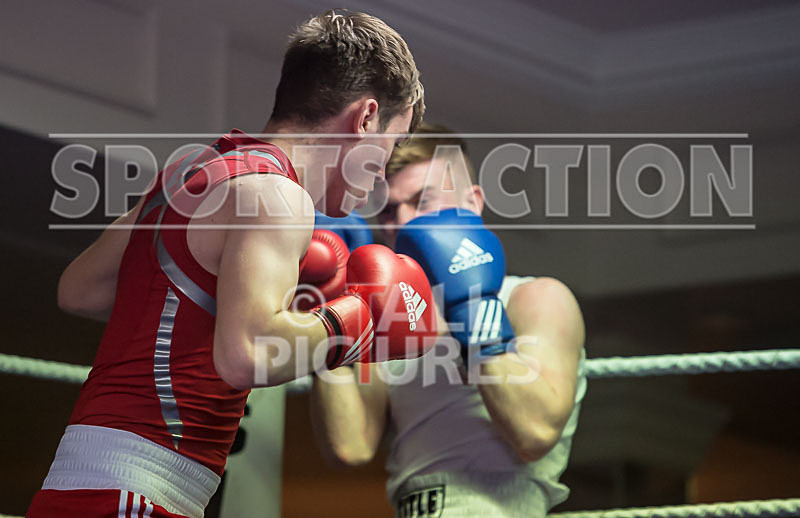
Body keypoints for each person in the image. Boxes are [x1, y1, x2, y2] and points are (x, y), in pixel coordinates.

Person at [28, 10, 436, 518]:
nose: (377, 175)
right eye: (388, 147)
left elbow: (80, 289)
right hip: (139, 491)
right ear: (366, 117)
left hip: (79, 482)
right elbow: (245, 354)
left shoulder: (191, 171)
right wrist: (360, 318)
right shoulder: (280, 197)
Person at [310, 124, 587, 517]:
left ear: (473, 203)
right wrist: (330, 314)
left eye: (422, 201)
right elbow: (351, 446)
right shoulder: (385, 325)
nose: (402, 223)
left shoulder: (534, 298)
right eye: (389, 210)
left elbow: (534, 432)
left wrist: (469, 312)